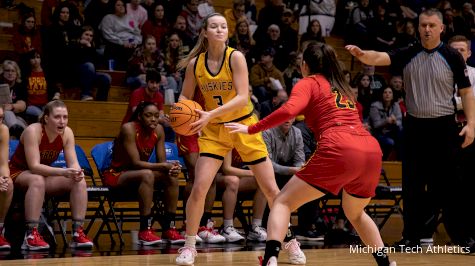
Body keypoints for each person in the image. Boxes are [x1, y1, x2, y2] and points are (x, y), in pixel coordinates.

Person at [225, 42, 396, 266]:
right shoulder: (342, 86)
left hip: (340, 146)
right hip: (371, 150)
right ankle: (385, 263)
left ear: (305, 65)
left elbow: (288, 111)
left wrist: (251, 128)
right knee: (355, 213)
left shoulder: (309, 82)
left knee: (282, 202)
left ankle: (270, 259)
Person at [174, 13, 304, 266]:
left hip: (244, 126)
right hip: (214, 131)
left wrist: (210, 113)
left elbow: (243, 97)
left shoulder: (236, 57)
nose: (220, 29)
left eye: (223, 26)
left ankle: (289, 241)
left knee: (270, 189)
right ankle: (189, 246)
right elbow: (185, 96)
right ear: (205, 32)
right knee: (199, 187)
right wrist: (179, 113)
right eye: (214, 26)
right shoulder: (195, 65)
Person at [346, 8, 475, 250]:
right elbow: (380, 57)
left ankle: (462, 237)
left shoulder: (452, 56)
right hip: (415, 127)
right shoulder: (408, 53)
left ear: (441, 29)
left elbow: (467, 93)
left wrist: (472, 124)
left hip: (445, 127)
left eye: (432, 26)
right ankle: (411, 238)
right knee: (412, 185)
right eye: (423, 25)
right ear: (418, 27)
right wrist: (362, 54)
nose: (427, 29)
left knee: (450, 185)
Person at [9, 100, 93, 250]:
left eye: (65, 117)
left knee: (78, 182)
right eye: (57, 117)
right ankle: (31, 235)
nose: (62, 121)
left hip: (42, 176)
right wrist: (63, 172)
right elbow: (34, 166)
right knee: (37, 179)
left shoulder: (67, 133)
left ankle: (77, 232)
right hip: (18, 174)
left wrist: (77, 172)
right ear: (46, 118)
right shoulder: (33, 131)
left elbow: (73, 162)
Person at [104, 101, 183, 244]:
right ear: (140, 116)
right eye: (148, 115)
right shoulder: (129, 129)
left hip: (140, 173)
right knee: (147, 174)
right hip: (117, 174)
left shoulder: (159, 130)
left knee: (170, 176)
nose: (153, 119)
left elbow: (162, 161)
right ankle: (144, 230)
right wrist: (164, 166)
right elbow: (135, 163)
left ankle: (169, 228)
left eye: (156, 116)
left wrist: (170, 167)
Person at [447, 35, 475, 251]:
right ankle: (457, 234)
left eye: (462, 50)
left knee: (470, 185)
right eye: (454, 51)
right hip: (447, 133)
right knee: (450, 185)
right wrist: (463, 102)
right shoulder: (442, 75)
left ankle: (470, 235)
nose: (458, 54)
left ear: (469, 53)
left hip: (472, 133)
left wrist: (457, 102)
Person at [217, 149, 268, 243]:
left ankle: (256, 228)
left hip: (237, 176)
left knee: (263, 180)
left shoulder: (247, 142)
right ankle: (227, 227)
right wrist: (252, 173)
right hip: (216, 176)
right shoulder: (229, 138)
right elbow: (226, 169)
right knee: (233, 181)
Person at [0, 106, 13, 250]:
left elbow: (3, 164)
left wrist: (3, 178)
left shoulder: (2, 130)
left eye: (1, 118)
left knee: (8, 183)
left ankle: (0, 230)